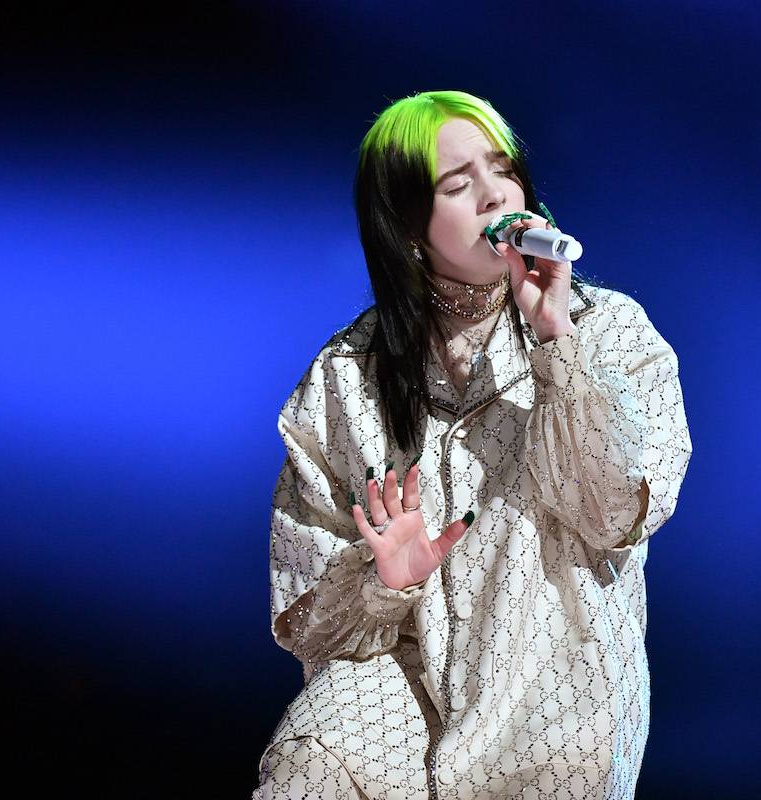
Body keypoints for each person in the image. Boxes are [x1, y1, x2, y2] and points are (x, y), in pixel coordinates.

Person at [252, 89, 692, 800]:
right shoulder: (345, 380)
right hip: (396, 688)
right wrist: (382, 582)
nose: (494, 195)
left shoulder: (611, 333)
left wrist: (558, 341)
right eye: (459, 185)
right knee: (311, 767)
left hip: (552, 705)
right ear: (406, 230)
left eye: (502, 170)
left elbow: (614, 515)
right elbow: (309, 623)